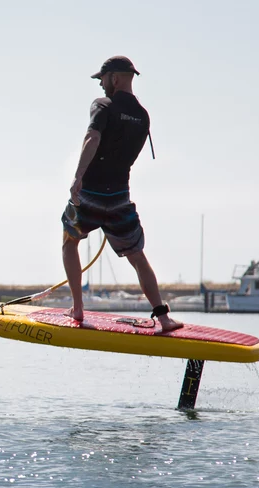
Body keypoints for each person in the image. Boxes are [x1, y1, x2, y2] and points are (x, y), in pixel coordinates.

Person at [62, 55, 182, 332]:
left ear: (114, 78)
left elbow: (93, 138)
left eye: (102, 80)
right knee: (137, 256)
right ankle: (163, 318)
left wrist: (78, 177)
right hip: (119, 197)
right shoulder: (143, 116)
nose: (101, 85)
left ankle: (78, 309)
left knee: (70, 241)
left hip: (90, 193)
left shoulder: (102, 105)